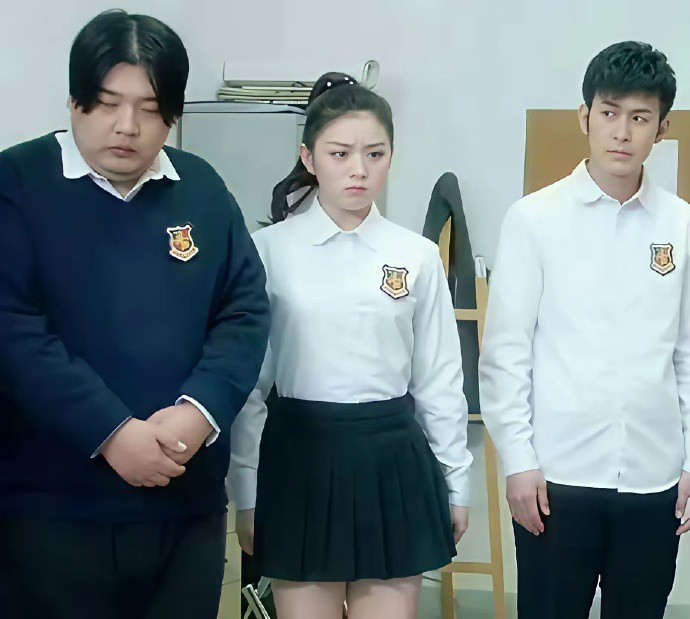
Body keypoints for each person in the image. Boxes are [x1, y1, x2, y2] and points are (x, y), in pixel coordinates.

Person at [0, 9, 269, 619]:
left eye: (150, 109)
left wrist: (199, 411)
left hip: (186, 506)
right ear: (74, 101)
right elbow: (12, 329)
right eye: (107, 103)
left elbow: (245, 309)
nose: (127, 126)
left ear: (173, 115)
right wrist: (112, 432)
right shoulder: (17, 182)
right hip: (50, 507)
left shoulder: (200, 186)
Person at [228, 76, 472, 619]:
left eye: (374, 154)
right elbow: (248, 387)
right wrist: (246, 490)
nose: (358, 169)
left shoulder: (416, 255)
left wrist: (456, 482)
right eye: (340, 154)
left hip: (393, 460)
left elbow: (439, 381)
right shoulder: (268, 251)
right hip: (297, 459)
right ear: (309, 158)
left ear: (391, 158)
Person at [479, 41, 690, 619]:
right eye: (609, 112)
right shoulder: (534, 219)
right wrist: (518, 462)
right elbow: (506, 354)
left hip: (652, 478)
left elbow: (686, 353)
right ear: (585, 117)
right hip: (555, 478)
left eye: (640, 118)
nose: (622, 132)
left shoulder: (681, 225)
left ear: (662, 129)